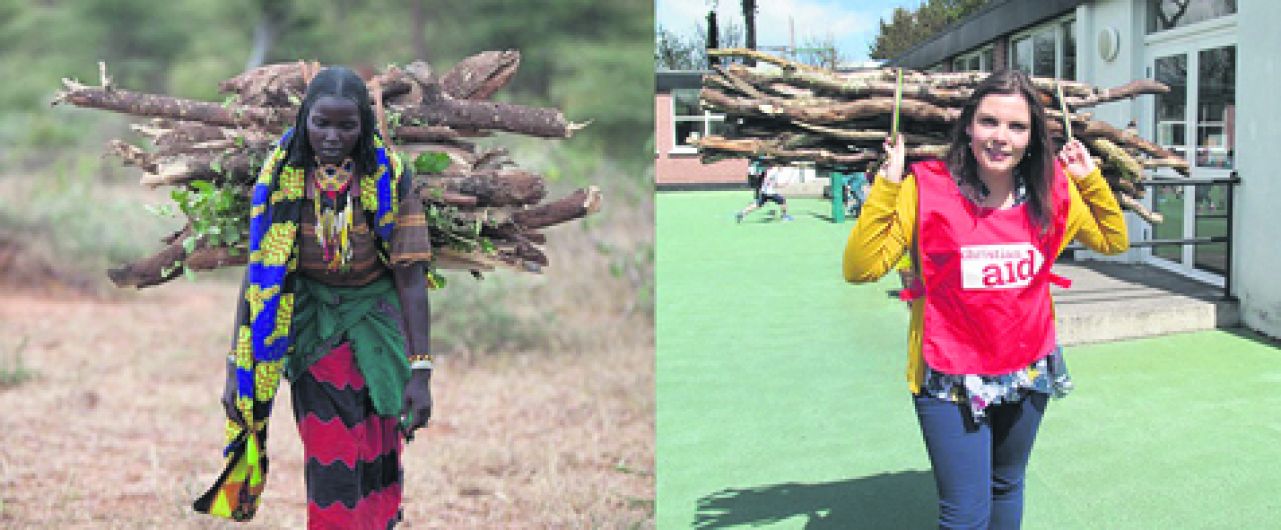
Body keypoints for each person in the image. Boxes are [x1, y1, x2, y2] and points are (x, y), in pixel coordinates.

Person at [842, 69, 1129, 529]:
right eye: (989, 122)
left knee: (1006, 484)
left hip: (1027, 366)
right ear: (968, 127)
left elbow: (1114, 240)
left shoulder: (1052, 191)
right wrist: (888, 184)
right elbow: (861, 267)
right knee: (965, 515)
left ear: (1034, 137)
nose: (1001, 138)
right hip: (949, 375)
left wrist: (1089, 179)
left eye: (1017, 127)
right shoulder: (926, 187)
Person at [192, 66, 435, 529]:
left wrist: (421, 370)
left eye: (347, 125)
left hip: (378, 328)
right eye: (321, 122)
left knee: (378, 453)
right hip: (312, 329)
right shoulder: (282, 175)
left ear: (364, 125)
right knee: (331, 460)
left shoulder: (388, 175)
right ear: (304, 119)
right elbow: (260, 273)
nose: (332, 136)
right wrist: (235, 365)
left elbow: (410, 275)